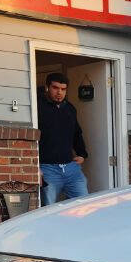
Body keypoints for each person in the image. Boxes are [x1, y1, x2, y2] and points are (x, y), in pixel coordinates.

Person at [38, 72, 88, 204]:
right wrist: (35, 167)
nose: (59, 92)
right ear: (47, 87)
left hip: (71, 168)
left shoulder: (70, 108)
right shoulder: (38, 107)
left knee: (83, 205)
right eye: (55, 88)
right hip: (48, 169)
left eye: (63, 89)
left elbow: (76, 132)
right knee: (48, 210)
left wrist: (82, 154)